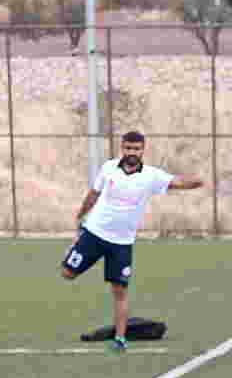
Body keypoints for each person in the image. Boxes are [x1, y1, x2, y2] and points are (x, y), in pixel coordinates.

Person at [64, 131, 204, 351]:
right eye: (128, 148)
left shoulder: (151, 176)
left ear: (142, 150)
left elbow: (178, 182)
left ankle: (120, 339)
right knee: (67, 274)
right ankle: (74, 248)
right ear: (122, 148)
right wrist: (81, 214)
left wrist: (199, 180)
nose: (132, 152)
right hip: (94, 234)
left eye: (136, 149)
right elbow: (94, 193)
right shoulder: (108, 168)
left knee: (119, 291)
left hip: (122, 244)